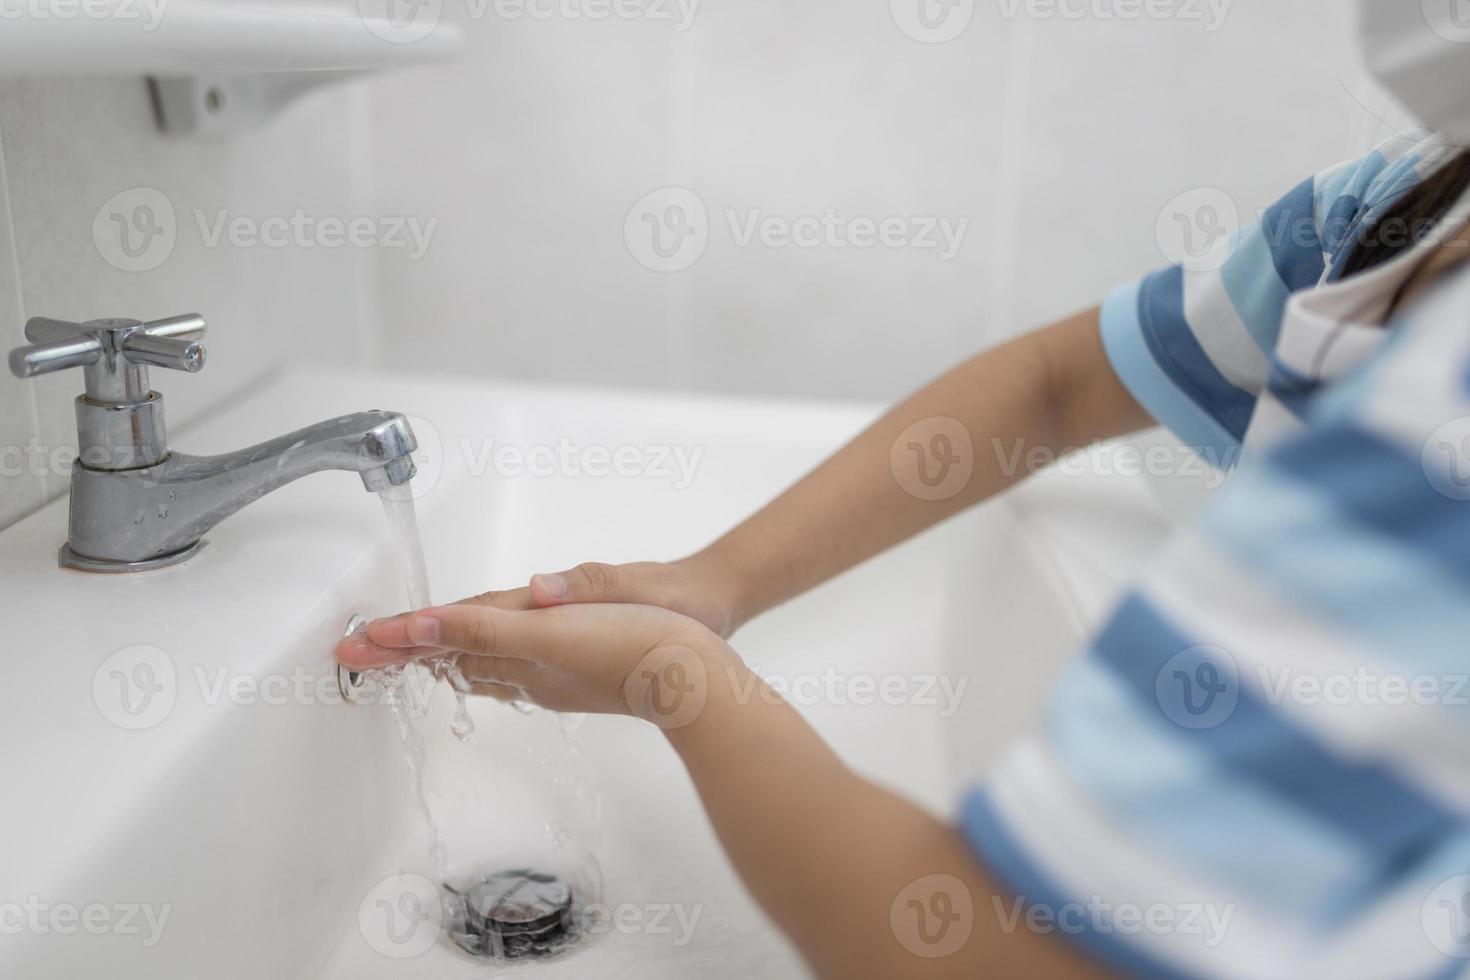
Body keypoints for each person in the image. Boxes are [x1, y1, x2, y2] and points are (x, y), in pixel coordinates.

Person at [338, 4, 1470, 976]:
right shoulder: (1393, 210)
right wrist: (713, 582)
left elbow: (986, 955)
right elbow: (1057, 384)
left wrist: (671, 675)